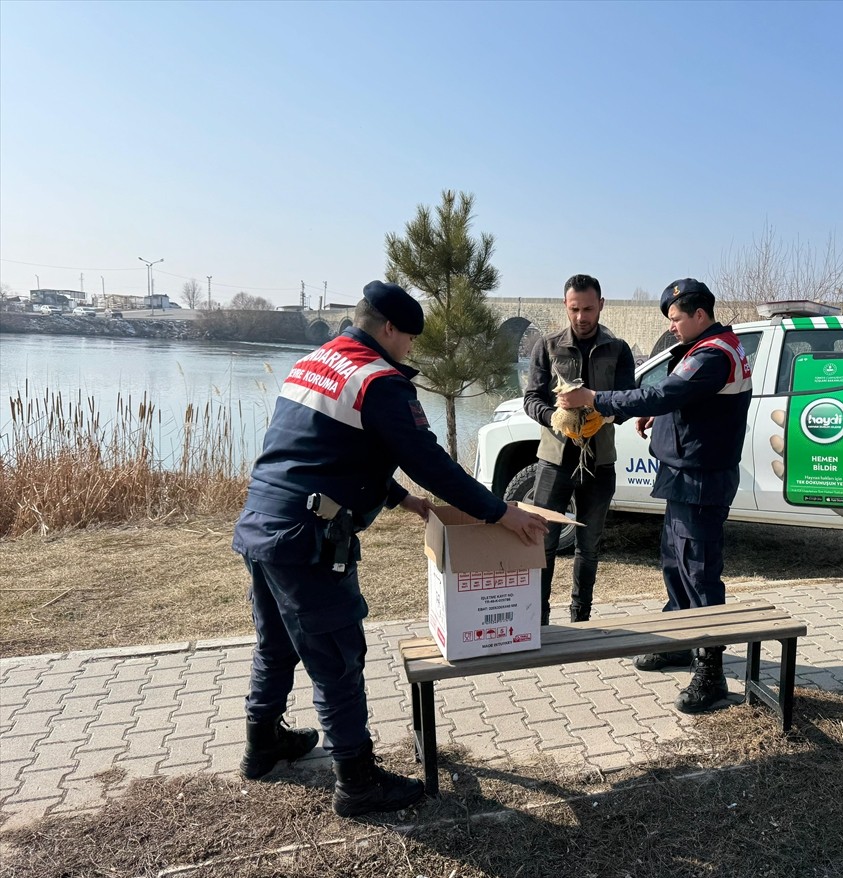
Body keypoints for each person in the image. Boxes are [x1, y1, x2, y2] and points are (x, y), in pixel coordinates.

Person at [232, 280, 547, 816]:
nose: (409, 351)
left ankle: (262, 745)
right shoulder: (378, 380)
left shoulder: (315, 361)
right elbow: (429, 459)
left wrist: (402, 499)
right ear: (389, 329)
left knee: (278, 643)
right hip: (306, 539)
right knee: (337, 656)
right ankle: (356, 781)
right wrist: (502, 511)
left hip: (263, 524)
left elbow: (325, 447)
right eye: (408, 340)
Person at [557, 278, 752, 713]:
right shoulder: (710, 345)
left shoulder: (713, 354)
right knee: (675, 563)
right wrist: (655, 420)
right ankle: (680, 643)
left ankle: (711, 672)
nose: (674, 328)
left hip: (700, 477)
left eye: (677, 319)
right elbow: (682, 404)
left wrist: (597, 398)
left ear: (699, 315)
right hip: (685, 471)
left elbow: (667, 392)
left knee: (699, 573)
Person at [523, 274, 636, 625]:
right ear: (565, 306)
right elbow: (531, 399)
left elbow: (628, 400)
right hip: (554, 461)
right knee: (542, 543)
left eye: (588, 308)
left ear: (601, 305)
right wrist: (554, 418)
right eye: (575, 309)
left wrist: (606, 415)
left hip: (599, 462)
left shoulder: (618, 349)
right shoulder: (547, 345)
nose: (582, 317)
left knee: (589, 547)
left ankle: (580, 618)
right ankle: (537, 620)